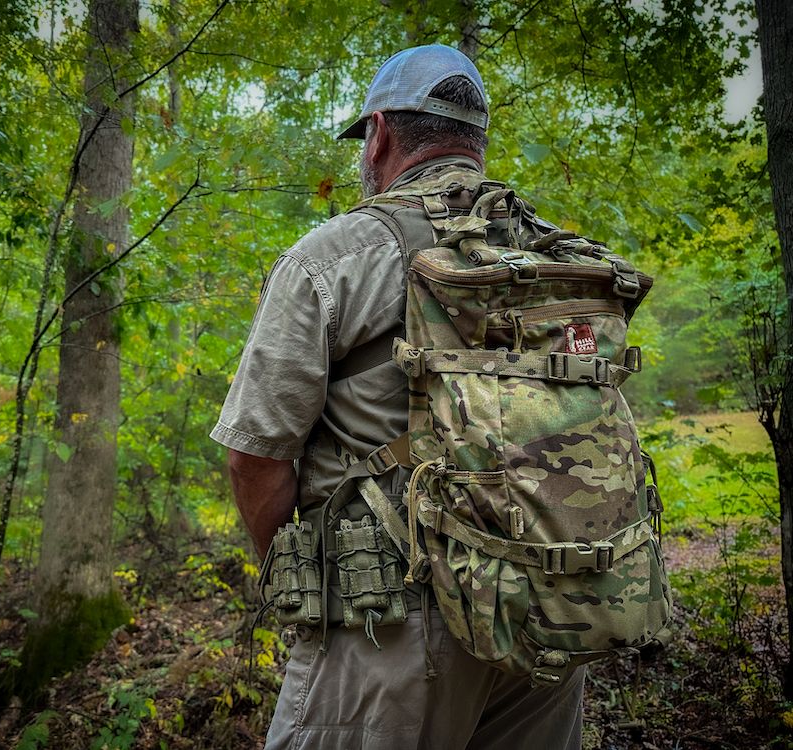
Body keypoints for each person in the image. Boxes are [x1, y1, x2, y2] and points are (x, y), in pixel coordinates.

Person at [211, 44, 585, 750]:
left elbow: (254, 457)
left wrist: (303, 575)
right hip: (552, 608)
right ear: (475, 144)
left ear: (379, 134)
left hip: (390, 630)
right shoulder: (549, 253)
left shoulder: (334, 258)